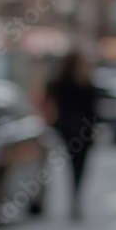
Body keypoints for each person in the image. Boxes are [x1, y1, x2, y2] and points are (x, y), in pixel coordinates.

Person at [43, 47, 100, 220]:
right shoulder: (77, 83)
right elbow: (93, 110)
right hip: (76, 131)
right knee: (77, 166)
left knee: (77, 166)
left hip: (74, 131)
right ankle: (75, 197)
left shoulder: (69, 82)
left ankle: (75, 197)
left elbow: (93, 108)